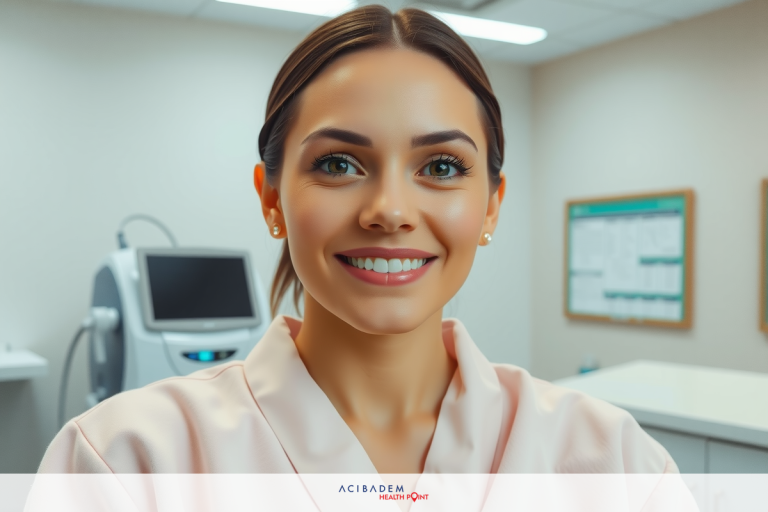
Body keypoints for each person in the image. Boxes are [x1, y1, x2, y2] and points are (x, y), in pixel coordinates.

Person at [39, 5, 676, 475]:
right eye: (339, 163)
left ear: (491, 208)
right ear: (271, 198)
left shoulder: (610, 461)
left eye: (443, 167)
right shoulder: (123, 461)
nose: (390, 211)